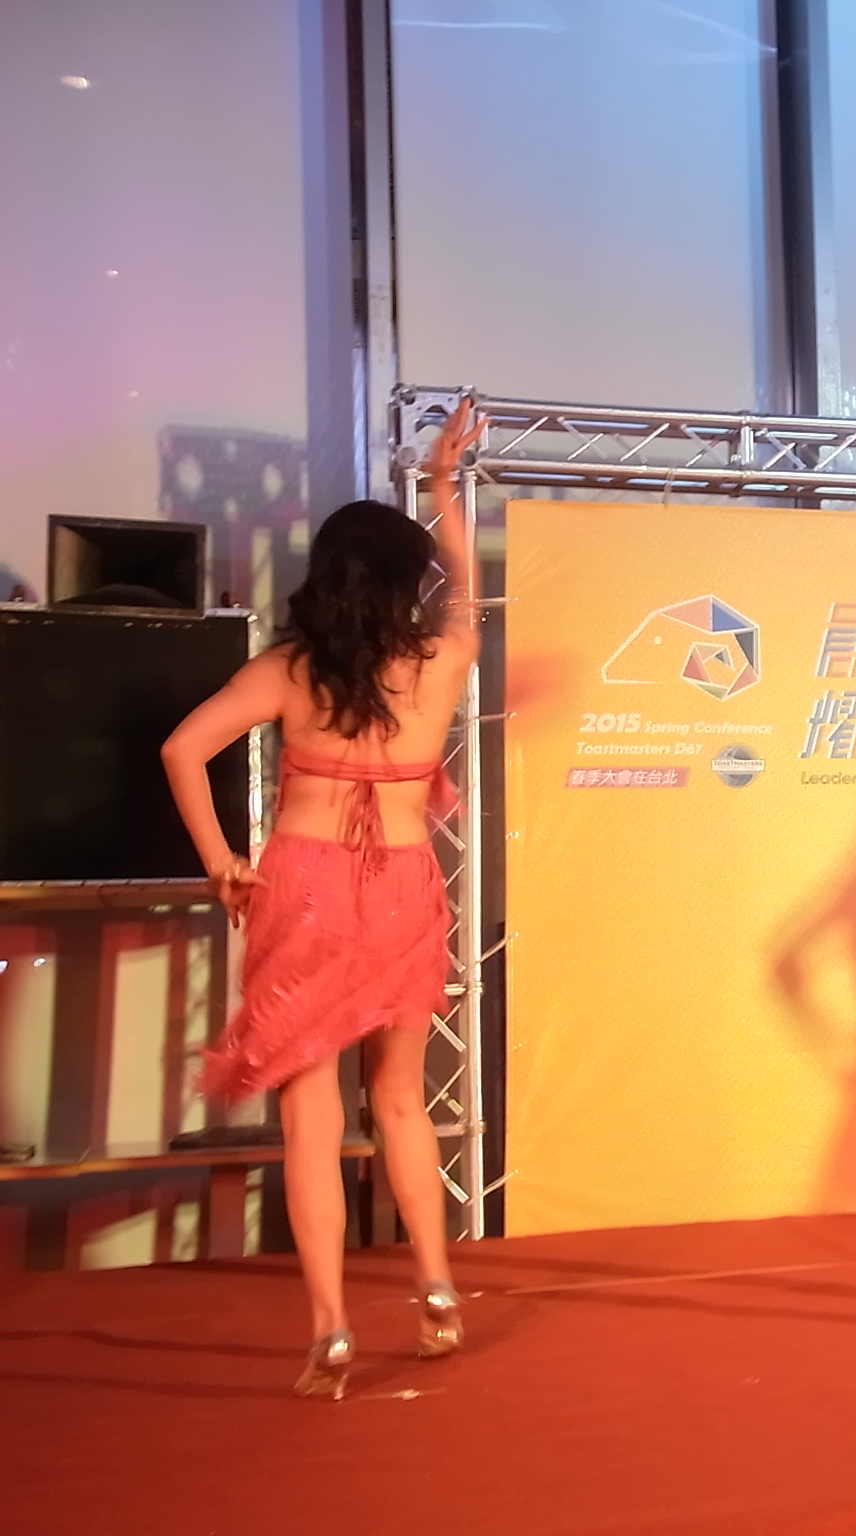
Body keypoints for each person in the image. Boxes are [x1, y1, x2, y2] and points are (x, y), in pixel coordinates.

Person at [161, 399, 486, 1396]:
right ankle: (436, 1288)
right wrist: (442, 487)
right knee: (400, 1100)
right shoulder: (440, 664)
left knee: (311, 1115)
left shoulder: (288, 671)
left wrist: (221, 860)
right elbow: (466, 588)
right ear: (402, 584)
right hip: (401, 889)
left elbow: (181, 749)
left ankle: (330, 1333)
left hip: (302, 888)